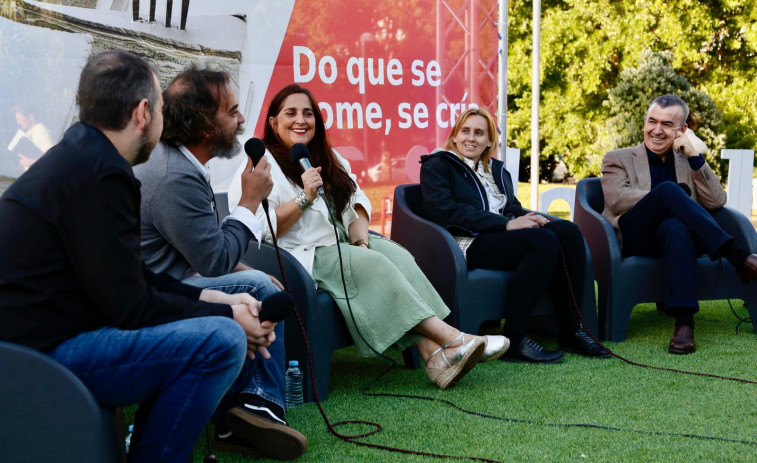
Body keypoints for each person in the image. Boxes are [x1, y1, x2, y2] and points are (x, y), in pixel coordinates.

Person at [0, 50, 283, 463]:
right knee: (221, 342)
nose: (166, 123)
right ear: (143, 112)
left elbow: (132, 277)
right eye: (163, 111)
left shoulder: (84, 159)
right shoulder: (100, 174)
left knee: (221, 324)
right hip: (35, 361)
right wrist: (226, 317)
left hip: (40, 343)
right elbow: (133, 307)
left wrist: (217, 300)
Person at [228, 84, 509, 390]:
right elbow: (259, 230)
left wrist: (361, 237)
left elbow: (355, 200)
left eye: (308, 113)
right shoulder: (258, 167)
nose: (301, 120)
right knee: (374, 267)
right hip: (299, 254)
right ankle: (455, 339)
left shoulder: (327, 157)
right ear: (273, 122)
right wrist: (304, 198)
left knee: (399, 256)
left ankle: (433, 354)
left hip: (343, 242)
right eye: (291, 113)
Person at [133, 66, 307, 459]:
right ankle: (258, 404)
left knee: (258, 281)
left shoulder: (180, 161)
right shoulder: (174, 175)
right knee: (258, 290)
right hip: (157, 295)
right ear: (205, 126)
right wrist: (248, 202)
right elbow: (213, 261)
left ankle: (236, 410)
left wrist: (251, 270)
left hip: (172, 280)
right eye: (232, 111)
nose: (243, 119)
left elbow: (202, 246)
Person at [420, 107, 609, 364]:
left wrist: (530, 217)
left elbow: (510, 207)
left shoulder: (495, 169)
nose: (471, 138)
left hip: (501, 236)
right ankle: (515, 339)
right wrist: (506, 224)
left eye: (479, 133)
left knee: (567, 230)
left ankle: (571, 330)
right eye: (465, 131)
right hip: (466, 242)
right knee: (542, 241)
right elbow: (445, 211)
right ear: (454, 136)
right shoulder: (438, 165)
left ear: (489, 141)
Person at [600, 94, 757, 354]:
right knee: (670, 192)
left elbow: (717, 201)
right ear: (644, 123)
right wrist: (668, 195)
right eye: (652, 121)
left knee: (675, 226)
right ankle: (739, 257)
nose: (657, 130)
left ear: (682, 130)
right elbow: (617, 200)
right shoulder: (619, 158)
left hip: (680, 239)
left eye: (667, 125)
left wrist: (695, 157)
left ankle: (684, 324)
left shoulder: (687, 160)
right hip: (637, 236)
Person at [10, 103, 54, 171]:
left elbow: (52, 158)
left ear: (31, 117)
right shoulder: (29, 132)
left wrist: (29, 162)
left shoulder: (40, 131)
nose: (18, 122)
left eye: (19, 119)